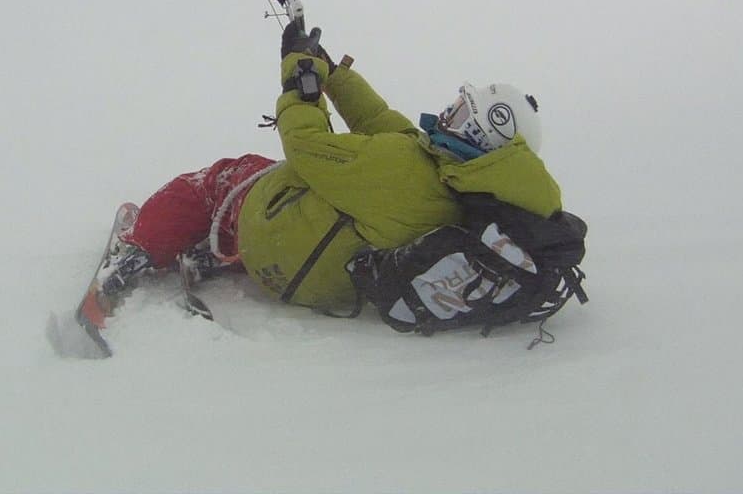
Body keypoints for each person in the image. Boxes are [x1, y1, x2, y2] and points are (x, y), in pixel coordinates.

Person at [97, 21, 582, 333]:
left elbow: (306, 145)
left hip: (279, 249)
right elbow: (380, 122)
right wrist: (331, 72)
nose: (445, 114)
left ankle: (137, 250)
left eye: (459, 114)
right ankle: (218, 254)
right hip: (320, 269)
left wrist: (299, 80)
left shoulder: (403, 169)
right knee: (292, 186)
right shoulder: (456, 182)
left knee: (221, 179)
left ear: (478, 135)